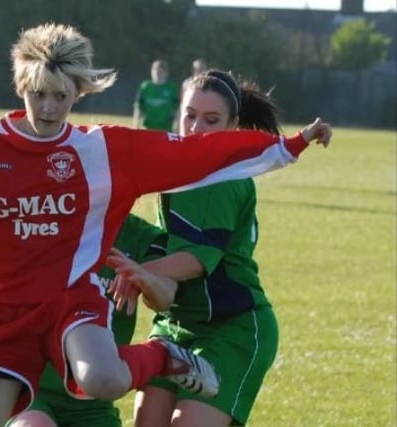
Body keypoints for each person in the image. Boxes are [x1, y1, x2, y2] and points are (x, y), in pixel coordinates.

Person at [0, 22, 332, 427]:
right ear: (21, 87)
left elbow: (195, 156)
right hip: (0, 316)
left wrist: (289, 144)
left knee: (104, 380)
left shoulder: (100, 150)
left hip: (71, 304)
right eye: (37, 94)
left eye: (61, 97)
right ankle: (164, 355)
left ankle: (166, 355)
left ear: (78, 95)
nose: (48, 109)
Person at [108, 69, 327, 427]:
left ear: (232, 125)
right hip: (177, 323)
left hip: (232, 329)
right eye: (189, 116)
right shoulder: (178, 161)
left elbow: (196, 260)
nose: (196, 129)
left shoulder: (223, 179)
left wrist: (139, 273)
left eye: (211, 120)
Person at [6, 213, 175, 427]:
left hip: (92, 400)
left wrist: (145, 277)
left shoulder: (143, 237)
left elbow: (166, 298)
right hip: (29, 388)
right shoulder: (47, 221)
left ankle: (161, 356)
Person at [133, 59, 180, 132]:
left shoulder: (172, 88)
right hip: (148, 130)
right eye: (155, 72)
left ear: (166, 73)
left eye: (160, 72)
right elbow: (138, 107)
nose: (157, 74)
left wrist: (178, 127)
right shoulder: (145, 87)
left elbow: (177, 109)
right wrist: (136, 125)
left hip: (166, 130)